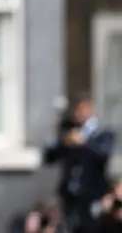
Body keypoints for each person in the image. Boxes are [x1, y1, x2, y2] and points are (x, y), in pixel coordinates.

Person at [42, 93, 115, 233]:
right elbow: (49, 157)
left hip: (92, 195)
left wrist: (84, 142)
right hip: (70, 196)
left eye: (82, 109)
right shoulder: (69, 131)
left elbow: (103, 155)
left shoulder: (102, 133)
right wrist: (61, 140)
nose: (79, 114)